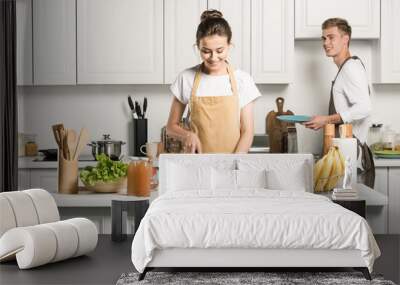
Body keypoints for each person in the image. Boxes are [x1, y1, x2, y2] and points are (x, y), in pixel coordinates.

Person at [166, 10, 261, 154]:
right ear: (197, 47)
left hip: (232, 164)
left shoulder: (243, 80)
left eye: (220, 50)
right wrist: (187, 135)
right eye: (206, 51)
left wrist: (234, 162)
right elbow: (171, 127)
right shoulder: (186, 78)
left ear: (229, 46)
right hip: (196, 164)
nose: (213, 57)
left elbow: (247, 131)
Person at [304, 18, 375, 187]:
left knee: (348, 210)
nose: (326, 42)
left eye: (331, 37)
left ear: (345, 39)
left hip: (351, 155)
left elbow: (364, 108)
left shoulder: (351, 68)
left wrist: (325, 120)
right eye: (324, 38)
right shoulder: (348, 67)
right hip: (346, 153)